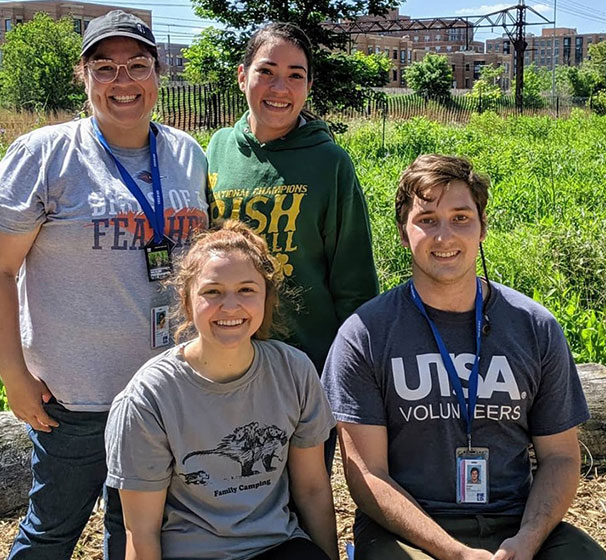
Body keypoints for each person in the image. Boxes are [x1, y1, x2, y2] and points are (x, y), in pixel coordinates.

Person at [321, 154, 606, 560]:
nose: (444, 237)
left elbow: (560, 456)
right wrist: (455, 553)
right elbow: (367, 473)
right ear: (404, 234)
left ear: (482, 228)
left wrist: (526, 540)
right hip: (409, 530)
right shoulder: (365, 334)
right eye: (427, 220)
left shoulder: (534, 326)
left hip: (515, 522)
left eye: (460, 218)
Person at [0, 10, 208, 559]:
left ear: (158, 74)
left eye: (137, 65)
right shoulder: (43, 154)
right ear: (83, 76)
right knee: (51, 532)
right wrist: (13, 376)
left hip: (165, 390)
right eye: (105, 67)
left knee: (137, 533)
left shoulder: (186, 153)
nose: (123, 81)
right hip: (75, 398)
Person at [105, 220, 339, 560]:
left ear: (266, 298)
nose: (230, 307)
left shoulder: (294, 370)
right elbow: (140, 532)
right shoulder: (149, 398)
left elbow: (313, 489)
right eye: (212, 292)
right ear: (187, 303)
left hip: (278, 546)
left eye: (246, 290)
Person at [205, 22, 379, 376]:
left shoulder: (330, 163)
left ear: (309, 86)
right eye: (266, 71)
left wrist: (356, 370)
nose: (279, 88)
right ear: (242, 76)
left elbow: (354, 281)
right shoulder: (218, 148)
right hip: (226, 361)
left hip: (307, 364)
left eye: (295, 75)